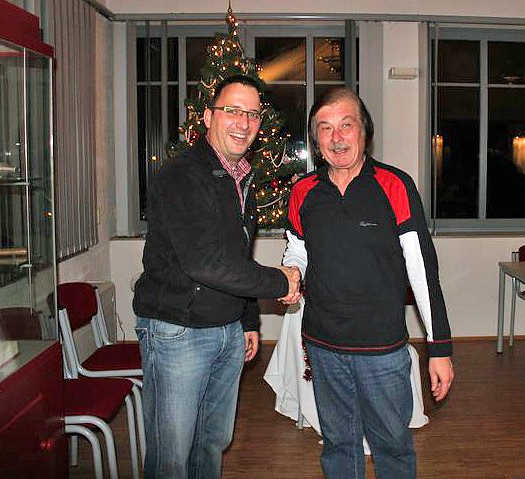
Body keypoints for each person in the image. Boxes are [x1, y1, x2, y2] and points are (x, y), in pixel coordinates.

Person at [133, 75, 301, 479]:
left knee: (211, 442)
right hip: (178, 332)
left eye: (253, 114)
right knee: (171, 456)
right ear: (208, 117)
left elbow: (237, 256)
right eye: (232, 111)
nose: (244, 123)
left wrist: (247, 320)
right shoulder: (182, 175)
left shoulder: (241, 177)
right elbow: (205, 263)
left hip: (226, 331)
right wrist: (282, 282)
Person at [283, 87, 454, 479]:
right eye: (325, 128)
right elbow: (298, 250)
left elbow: (422, 273)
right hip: (323, 345)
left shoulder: (395, 186)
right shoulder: (303, 192)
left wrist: (439, 348)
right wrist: (291, 271)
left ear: (364, 131)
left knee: (392, 447)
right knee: (338, 447)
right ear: (316, 140)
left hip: (382, 349)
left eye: (346, 125)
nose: (336, 137)